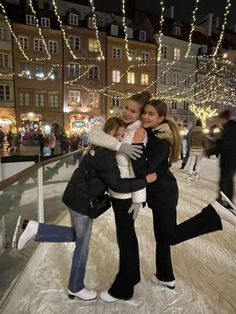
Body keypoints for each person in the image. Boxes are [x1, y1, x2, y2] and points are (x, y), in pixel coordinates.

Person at [13, 117, 156, 301]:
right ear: (109, 134)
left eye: (122, 136)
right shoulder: (105, 155)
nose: (120, 139)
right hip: (82, 201)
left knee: (76, 236)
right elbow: (117, 184)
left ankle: (35, 229)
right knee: (82, 246)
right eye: (118, 135)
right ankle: (75, 286)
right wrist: (144, 181)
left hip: (76, 197)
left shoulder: (98, 148)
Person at [131, 99, 236, 290]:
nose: (146, 116)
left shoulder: (161, 140)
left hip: (164, 194)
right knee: (162, 237)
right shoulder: (151, 134)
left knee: (169, 236)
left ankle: (214, 212)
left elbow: (143, 171)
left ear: (161, 118)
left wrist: (136, 144)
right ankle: (165, 275)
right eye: (145, 112)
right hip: (158, 193)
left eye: (151, 114)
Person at [88, 91, 151, 302]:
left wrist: (138, 199)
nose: (127, 112)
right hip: (116, 192)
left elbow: (139, 169)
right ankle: (131, 277)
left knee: (126, 239)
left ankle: (124, 287)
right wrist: (119, 145)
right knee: (125, 237)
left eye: (133, 111)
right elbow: (93, 134)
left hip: (126, 194)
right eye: (126, 107)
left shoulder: (139, 132)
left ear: (140, 114)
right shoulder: (118, 127)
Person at [207, 110, 236, 203]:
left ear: (223, 118)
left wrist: (211, 150)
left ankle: (226, 200)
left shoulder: (230, 128)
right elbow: (223, 143)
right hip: (228, 158)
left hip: (230, 159)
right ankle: (223, 198)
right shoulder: (228, 127)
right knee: (225, 179)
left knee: (226, 179)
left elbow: (226, 144)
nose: (218, 121)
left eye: (219, 119)